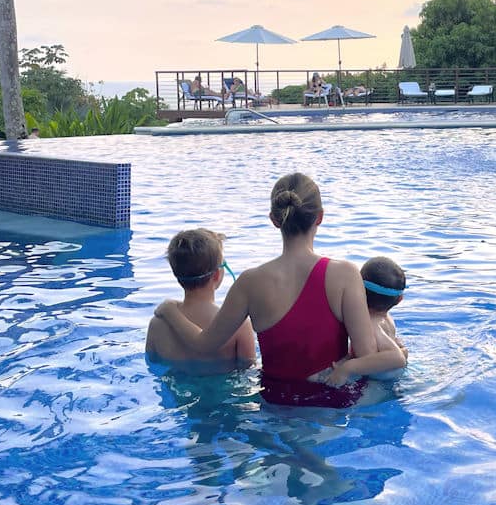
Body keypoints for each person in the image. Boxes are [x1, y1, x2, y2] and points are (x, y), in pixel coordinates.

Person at [154, 172, 396, 406]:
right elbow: (367, 355)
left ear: (274, 219)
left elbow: (204, 344)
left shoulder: (249, 282)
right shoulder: (345, 274)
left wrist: (169, 310)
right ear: (320, 217)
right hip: (333, 400)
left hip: (275, 402)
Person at [146, 228, 256, 364]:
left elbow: (152, 364)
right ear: (216, 275)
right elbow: (249, 370)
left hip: (177, 384)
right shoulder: (239, 326)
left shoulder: (157, 325)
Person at [320, 256, 408, 386]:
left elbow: (397, 359)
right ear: (399, 299)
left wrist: (347, 368)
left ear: (359, 290)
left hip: (380, 379)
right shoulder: (386, 318)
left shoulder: (372, 323)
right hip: (389, 375)